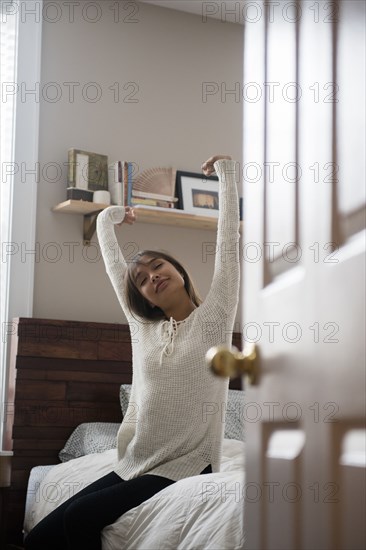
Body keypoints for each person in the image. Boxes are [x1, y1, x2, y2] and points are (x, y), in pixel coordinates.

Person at [24, 154, 240, 550]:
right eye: (141, 279)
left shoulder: (215, 317)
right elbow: (113, 265)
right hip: (137, 461)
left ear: (178, 270)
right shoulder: (144, 328)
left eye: (159, 266)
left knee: (80, 517)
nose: (152, 276)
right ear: (140, 296)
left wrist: (227, 175)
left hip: (185, 463)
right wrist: (108, 218)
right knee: (41, 538)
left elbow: (229, 244)